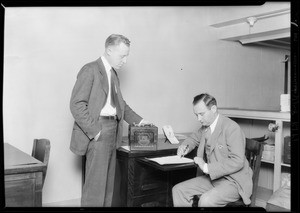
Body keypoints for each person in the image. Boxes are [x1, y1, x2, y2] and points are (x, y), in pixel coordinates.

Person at [69, 34, 149, 207]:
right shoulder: (90, 70)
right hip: (99, 129)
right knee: (95, 188)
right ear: (109, 50)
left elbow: (121, 106)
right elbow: (76, 104)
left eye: (127, 56)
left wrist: (142, 122)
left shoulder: (113, 73)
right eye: (122, 56)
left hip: (114, 130)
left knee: (108, 188)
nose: (125, 61)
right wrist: (95, 131)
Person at [172, 93, 253, 207]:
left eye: (201, 114)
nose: (199, 119)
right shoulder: (206, 127)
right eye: (196, 115)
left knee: (206, 201)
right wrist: (185, 147)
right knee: (178, 190)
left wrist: (206, 167)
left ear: (213, 109)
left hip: (233, 182)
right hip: (213, 179)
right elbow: (193, 139)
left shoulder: (231, 128)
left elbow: (238, 161)